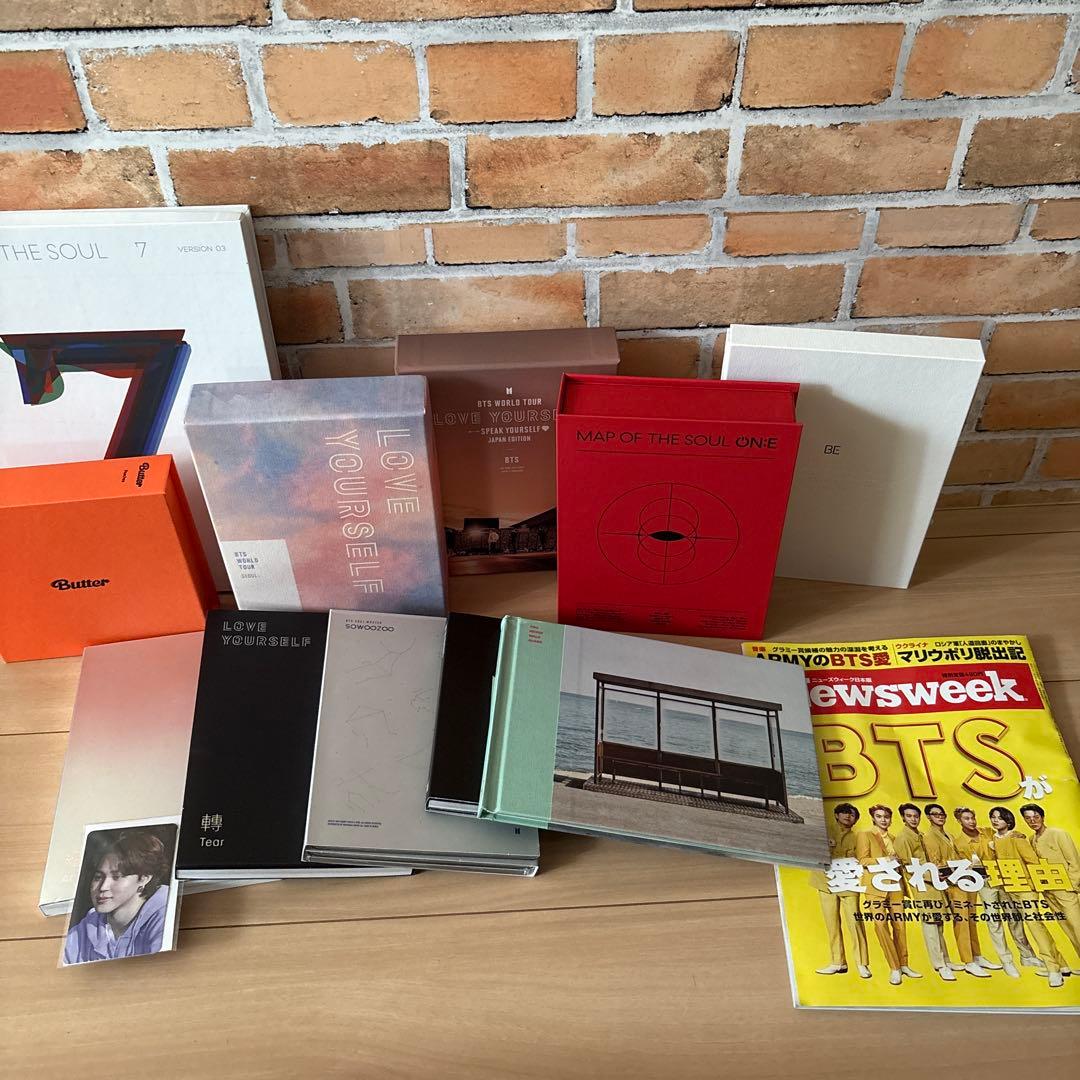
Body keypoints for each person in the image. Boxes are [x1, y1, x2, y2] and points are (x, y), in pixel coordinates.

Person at [63, 830, 171, 964]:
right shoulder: (85, 930)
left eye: (116, 876)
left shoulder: (164, 915)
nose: (103, 887)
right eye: (98, 877)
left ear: (144, 878)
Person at [988, 806, 1068, 988]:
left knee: (1035, 926)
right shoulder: (994, 839)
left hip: (1025, 888)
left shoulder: (1017, 838)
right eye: (992, 817)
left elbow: (1033, 863)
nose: (995, 820)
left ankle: (1053, 969)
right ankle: (1061, 964)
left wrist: (1032, 887)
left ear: (1008, 820)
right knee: (1017, 926)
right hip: (1006, 889)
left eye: (999, 817)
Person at [952, 806, 1028, 978]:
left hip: (1003, 879)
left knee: (1014, 917)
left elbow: (1005, 837)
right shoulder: (958, 843)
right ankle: (1007, 961)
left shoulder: (987, 831)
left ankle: (1026, 955)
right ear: (959, 821)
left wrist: (1017, 835)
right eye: (966, 819)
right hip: (984, 884)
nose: (971, 821)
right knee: (994, 922)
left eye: (972, 817)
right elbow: (961, 867)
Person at [921, 803, 989, 978]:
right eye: (935, 814)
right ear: (928, 817)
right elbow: (936, 864)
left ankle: (976, 955)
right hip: (952, 883)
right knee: (962, 921)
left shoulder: (949, 835)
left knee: (971, 919)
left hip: (964, 880)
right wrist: (956, 870)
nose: (940, 817)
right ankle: (968, 961)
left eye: (942, 814)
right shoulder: (929, 837)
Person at [856, 804, 920, 986]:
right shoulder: (865, 835)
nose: (883, 820)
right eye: (879, 816)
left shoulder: (894, 838)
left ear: (891, 819)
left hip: (895, 885)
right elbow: (863, 860)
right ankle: (894, 967)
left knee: (900, 926)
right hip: (875, 887)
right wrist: (885, 860)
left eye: (886, 816)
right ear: (873, 818)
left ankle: (904, 964)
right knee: (881, 925)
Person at [893, 803, 957, 982]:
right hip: (922, 884)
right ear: (903, 818)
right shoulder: (903, 838)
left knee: (938, 924)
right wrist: (933, 875)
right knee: (930, 925)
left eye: (915, 816)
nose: (913, 819)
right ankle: (940, 965)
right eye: (909, 816)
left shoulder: (920, 835)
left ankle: (946, 960)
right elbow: (908, 867)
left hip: (934, 882)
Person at [812, 803, 871, 978]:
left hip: (849, 881)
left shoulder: (859, 837)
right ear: (836, 815)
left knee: (855, 923)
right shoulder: (823, 829)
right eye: (844, 812)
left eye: (852, 814)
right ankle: (838, 962)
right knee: (832, 924)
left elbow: (863, 859)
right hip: (826, 880)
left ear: (855, 820)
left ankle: (862, 964)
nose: (848, 816)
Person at [1020, 803, 1080, 964]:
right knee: (1067, 928)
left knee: (1077, 926)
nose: (1032, 821)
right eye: (1028, 818)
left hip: (1066, 889)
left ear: (1042, 817)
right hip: (1048, 891)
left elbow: (1074, 861)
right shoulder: (1031, 839)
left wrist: (1072, 886)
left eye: (1036, 817)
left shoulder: (1058, 834)